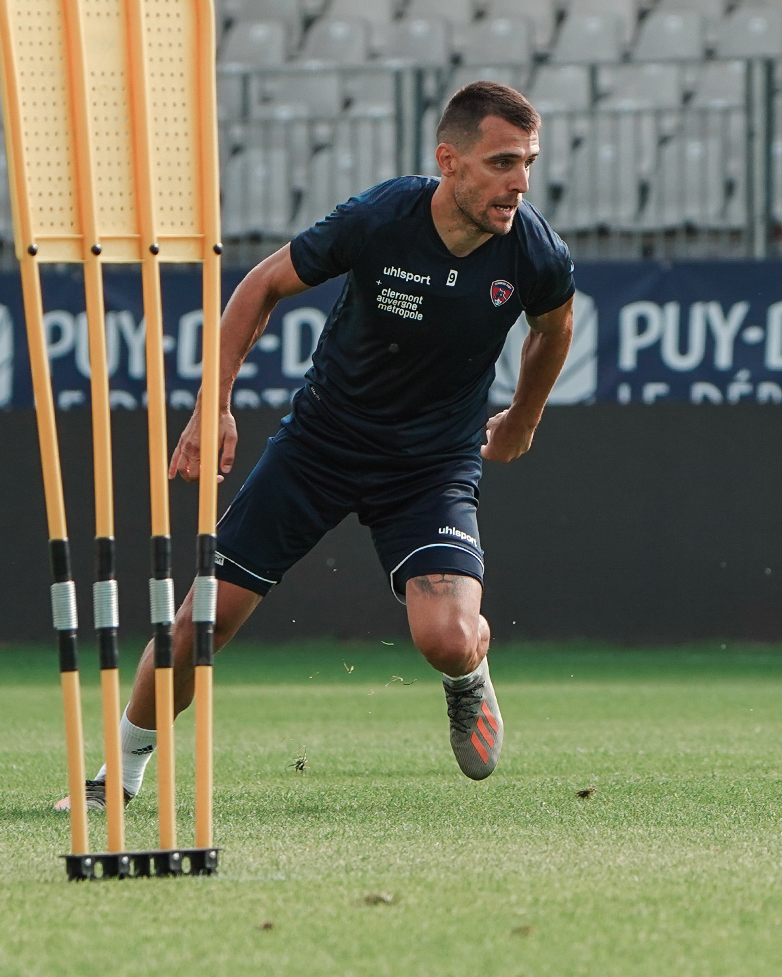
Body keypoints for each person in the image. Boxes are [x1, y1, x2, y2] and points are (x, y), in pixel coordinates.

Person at [57, 81, 573, 811]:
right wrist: (215, 403)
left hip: (430, 467)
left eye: (528, 161)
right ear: (449, 161)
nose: (519, 182)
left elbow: (555, 328)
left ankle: (469, 679)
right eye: (501, 162)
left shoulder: (533, 251)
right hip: (321, 447)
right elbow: (261, 286)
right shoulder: (381, 218)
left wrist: (524, 415)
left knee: (449, 638)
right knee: (198, 626)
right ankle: (119, 775)